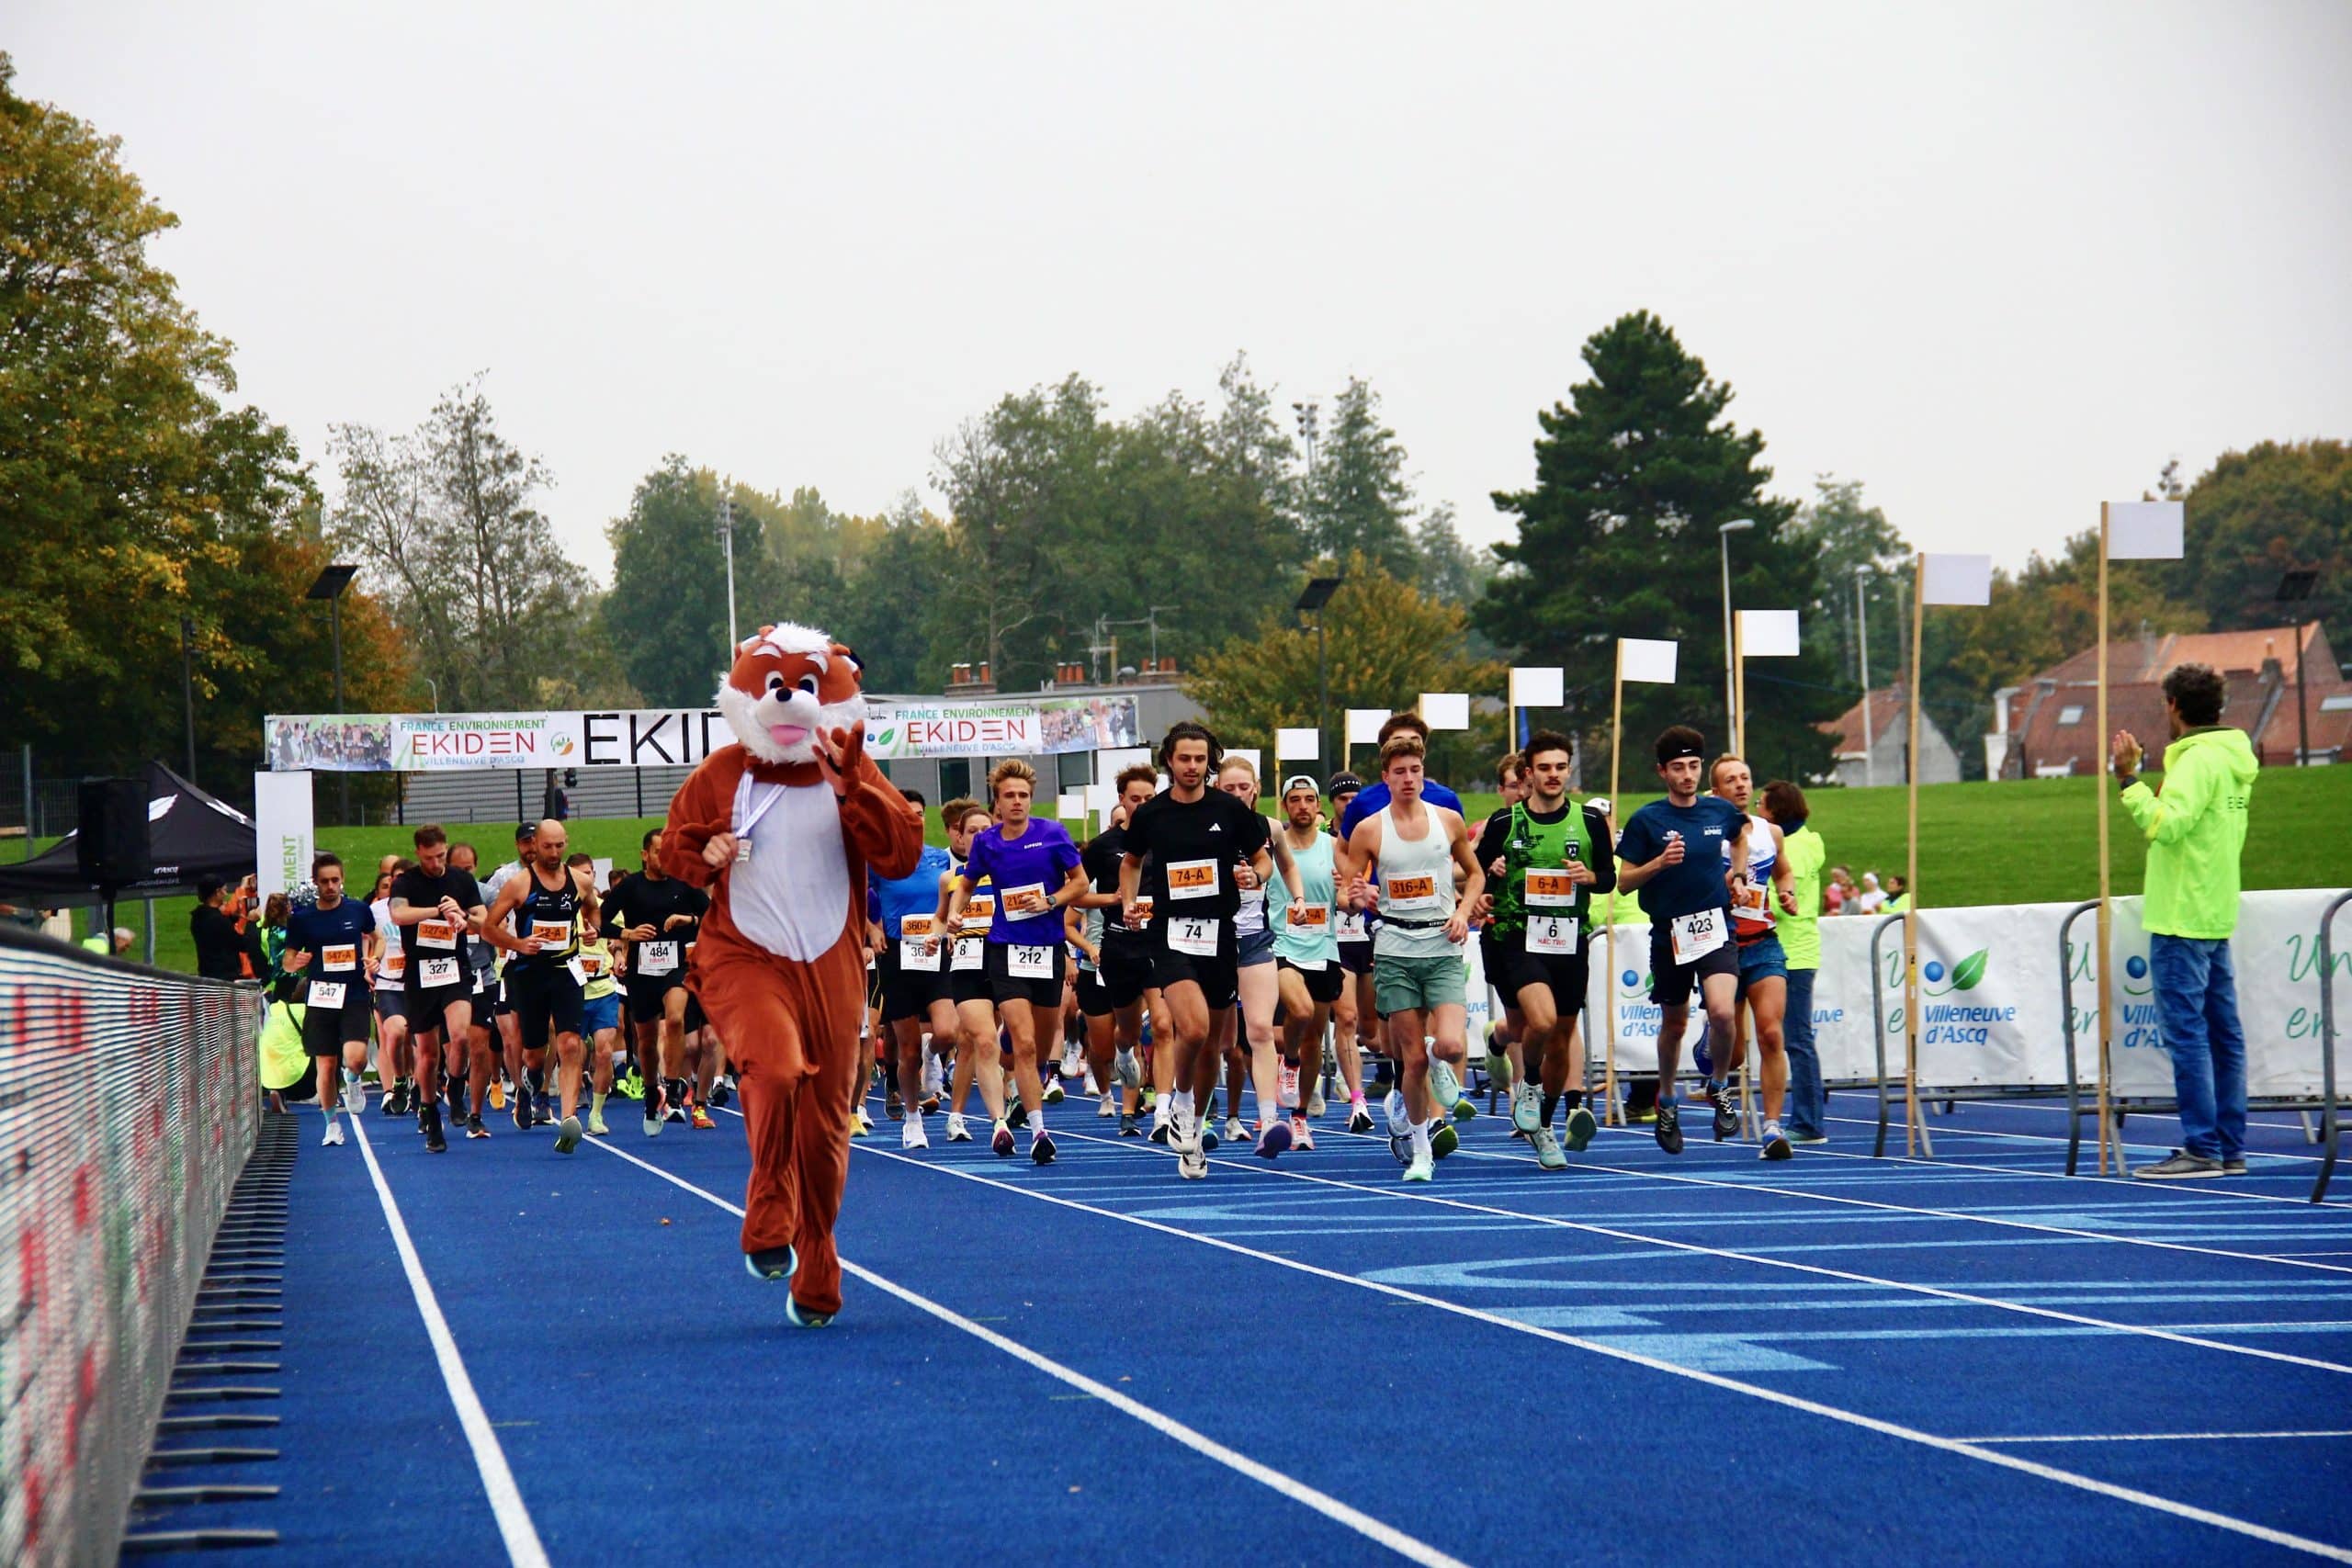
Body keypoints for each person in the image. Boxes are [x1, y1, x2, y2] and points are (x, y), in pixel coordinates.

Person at [2114, 660, 2257, 1179]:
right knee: (2224, 1035)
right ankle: (2228, 1146)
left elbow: (2166, 825)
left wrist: (2129, 780)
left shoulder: (2196, 763)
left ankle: (2202, 1147)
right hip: (2215, 908)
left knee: (2190, 1036)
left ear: (2173, 706)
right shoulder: (2232, 758)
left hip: (2181, 914)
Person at [1120, 721, 1273, 1179]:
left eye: (1200, 760)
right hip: (1171, 933)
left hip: (1221, 935)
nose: (1192, 767)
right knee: (1192, 1029)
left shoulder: (1229, 809)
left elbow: (1262, 856)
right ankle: (1180, 1101)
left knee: (1214, 1046)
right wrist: (1129, 902)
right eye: (1184, 758)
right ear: (1169, 760)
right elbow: (1130, 863)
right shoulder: (1152, 814)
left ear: (1210, 762)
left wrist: (1255, 876)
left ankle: (1194, 1132)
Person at [1344, 733, 1485, 1183]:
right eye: (1400, 772)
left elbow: (1477, 873)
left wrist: (1464, 912)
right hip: (1395, 950)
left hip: (1442, 945)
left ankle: (1434, 1053)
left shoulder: (1448, 821)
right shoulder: (1369, 830)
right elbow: (1347, 895)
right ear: (1385, 778)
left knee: (1451, 1046)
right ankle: (1420, 1150)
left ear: (1424, 774)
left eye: (1415, 770)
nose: (1409, 779)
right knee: (1410, 1061)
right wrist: (1358, 894)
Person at [1472, 728, 1614, 1169]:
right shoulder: (1504, 823)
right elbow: (1476, 877)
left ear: (1569, 772)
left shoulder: (1589, 822)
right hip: (1520, 935)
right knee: (1542, 1020)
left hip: (1569, 937)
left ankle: (1545, 1125)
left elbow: (1608, 878)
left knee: (1560, 1039)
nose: (1553, 775)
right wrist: (1488, 878)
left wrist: (1588, 877)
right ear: (1528, 774)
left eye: (1560, 768)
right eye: (1544, 768)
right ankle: (1529, 1082)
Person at [1612, 726, 1748, 1156]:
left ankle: (1720, 1084)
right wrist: (1658, 863)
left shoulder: (1718, 812)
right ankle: (1667, 1097)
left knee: (1724, 1012)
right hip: (1670, 932)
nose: (1687, 775)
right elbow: (1623, 883)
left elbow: (1740, 834)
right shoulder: (1647, 820)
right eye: (1678, 768)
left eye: (1693, 766)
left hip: (1715, 926)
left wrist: (1739, 875)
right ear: (1662, 772)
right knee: (1674, 1025)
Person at [945, 761, 1088, 1164]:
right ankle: (1040, 1132)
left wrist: (1052, 901)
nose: (1017, 802)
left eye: (1023, 795)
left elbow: (1080, 882)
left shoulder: (1053, 834)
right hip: (1005, 949)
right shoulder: (988, 842)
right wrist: (958, 911)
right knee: (1024, 1044)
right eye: (1009, 795)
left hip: (1046, 952)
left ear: (1031, 799)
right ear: (998, 801)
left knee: (1038, 1049)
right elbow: (967, 882)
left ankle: (1026, 1091)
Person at [1209, 755, 1306, 1156]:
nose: (1236, 795)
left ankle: (1269, 1122)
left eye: (1243, 788)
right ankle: (1196, 1116)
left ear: (1255, 789)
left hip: (1254, 940)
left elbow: (1286, 865)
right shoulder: (1204, 828)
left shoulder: (1269, 828)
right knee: (1214, 1039)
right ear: (1218, 790)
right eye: (1228, 789)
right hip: (1209, 942)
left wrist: (1298, 898)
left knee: (1262, 1031)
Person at [482, 820, 598, 1154]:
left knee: (570, 1044)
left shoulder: (580, 881)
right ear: (535, 845)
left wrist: (591, 930)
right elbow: (489, 929)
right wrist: (518, 944)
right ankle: (530, 1083)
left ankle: (568, 1120)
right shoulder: (520, 885)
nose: (554, 853)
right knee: (533, 1054)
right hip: (530, 973)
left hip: (566, 969)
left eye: (560, 846)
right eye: (547, 846)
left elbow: (592, 912)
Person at [1709, 755, 1798, 1159]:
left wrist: (1787, 892)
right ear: (1716, 791)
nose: (1741, 785)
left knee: (1771, 1033)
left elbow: (1783, 871)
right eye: (1731, 780)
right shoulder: (1706, 832)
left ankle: (1773, 1127)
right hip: (1720, 946)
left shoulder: (1770, 832)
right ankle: (1711, 1053)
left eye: (1745, 777)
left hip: (1763, 943)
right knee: (1735, 1052)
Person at [1074, 766, 1164, 1137]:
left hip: (1160, 944)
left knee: (1163, 1025)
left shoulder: (1170, 838)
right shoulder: (1103, 846)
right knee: (1125, 1034)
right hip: (1118, 947)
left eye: (1148, 799)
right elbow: (1075, 893)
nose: (1142, 805)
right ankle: (1125, 1057)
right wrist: (1112, 898)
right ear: (1122, 802)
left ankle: (1165, 1110)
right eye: (1134, 799)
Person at [604, 829, 710, 1136]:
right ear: (645, 855)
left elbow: (714, 916)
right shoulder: (631, 887)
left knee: (675, 1018)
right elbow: (601, 920)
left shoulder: (684, 882)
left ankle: (674, 1085)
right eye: (659, 851)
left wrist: (687, 920)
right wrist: (627, 934)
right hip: (642, 970)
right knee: (647, 1042)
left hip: (676, 966)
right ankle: (652, 1093)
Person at [387, 825, 487, 1152]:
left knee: (460, 1036)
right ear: (418, 853)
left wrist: (462, 918)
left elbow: (483, 918)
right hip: (419, 974)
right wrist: (438, 911)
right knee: (427, 1056)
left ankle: (456, 1087)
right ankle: (431, 1116)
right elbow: (399, 914)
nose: (436, 863)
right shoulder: (407, 882)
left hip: (454, 968)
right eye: (429, 858)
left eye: (440, 856)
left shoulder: (461, 880)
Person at [869, 788, 956, 1149]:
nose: (913, 819)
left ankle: (932, 1053)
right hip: (897, 954)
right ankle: (912, 1117)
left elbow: (955, 897)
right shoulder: (880, 861)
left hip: (935, 952)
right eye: (906, 814)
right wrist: (872, 929)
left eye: (919, 814)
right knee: (904, 1049)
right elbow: (857, 897)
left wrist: (950, 924)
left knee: (949, 1031)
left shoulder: (939, 859)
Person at [1269, 773, 1346, 1149]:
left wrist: (1350, 891)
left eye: (1309, 799)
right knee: (1297, 1013)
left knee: (1316, 1035)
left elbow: (1348, 899)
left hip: (1324, 948)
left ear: (1319, 806)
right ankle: (1291, 1061)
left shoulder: (1334, 846)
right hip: (1281, 945)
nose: (1302, 806)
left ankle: (1299, 1116)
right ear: (1285, 806)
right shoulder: (1272, 847)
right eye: (1295, 799)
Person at [278, 852, 376, 1145]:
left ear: (342, 880)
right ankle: (331, 1123)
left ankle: (355, 1079)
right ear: (316, 883)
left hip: (355, 994)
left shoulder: (358, 910)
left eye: (335, 880)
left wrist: (373, 958)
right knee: (326, 1064)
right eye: (325, 882)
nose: (331, 886)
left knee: (356, 1058)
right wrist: (296, 963)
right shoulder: (303, 919)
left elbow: (377, 937)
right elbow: (287, 960)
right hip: (322, 996)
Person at [932, 799, 1006, 1145]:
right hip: (966, 960)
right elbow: (940, 916)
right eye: (971, 831)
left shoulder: (1009, 868)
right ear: (959, 837)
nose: (979, 836)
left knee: (983, 1043)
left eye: (985, 830)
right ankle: (987, 1120)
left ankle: (966, 1111)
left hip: (1006, 959)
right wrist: (939, 935)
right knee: (979, 1040)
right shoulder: (951, 878)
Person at [1761, 781, 1828, 1145]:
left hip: (1793, 952)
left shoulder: (1796, 848)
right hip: (1785, 950)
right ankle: (1805, 1117)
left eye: (1762, 803)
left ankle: (1808, 1121)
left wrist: (1743, 897)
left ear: (1776, 811)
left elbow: (1786, 902)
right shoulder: (1797, 843)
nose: (1756, 808)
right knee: (1790, 1038)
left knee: (1797, 1039)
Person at [1324, 772, 1378, 1131]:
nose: (1349, 805)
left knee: (1374, 1033)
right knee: (1346, 1019)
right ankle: (1358, 1102)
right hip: (1337, 938)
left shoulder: (1377, 835)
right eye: (1343, 799)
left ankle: (1398, 1085)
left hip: (1373, 935)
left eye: (1355, 798)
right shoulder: (1323, 842)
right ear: (1333, 803)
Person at [368, 862, 417, 1116]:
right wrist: (368, 964)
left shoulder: (423, 907)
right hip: (388, 983)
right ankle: (395, 1084)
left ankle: (420, 1089)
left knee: (421, 1041)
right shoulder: (375, 910)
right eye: (394, 879)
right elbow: (368, 939)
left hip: (421, 983)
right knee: (394, 1033)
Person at [191, 878, 265, 981]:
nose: (226, 894)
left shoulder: (199, 917)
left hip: (208, 974)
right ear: (217, 892)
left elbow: (222, 931)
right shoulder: (217, 920)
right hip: (224, 978)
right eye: (224, 890)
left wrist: (233, 917)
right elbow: (243, 944)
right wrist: (252, 922)